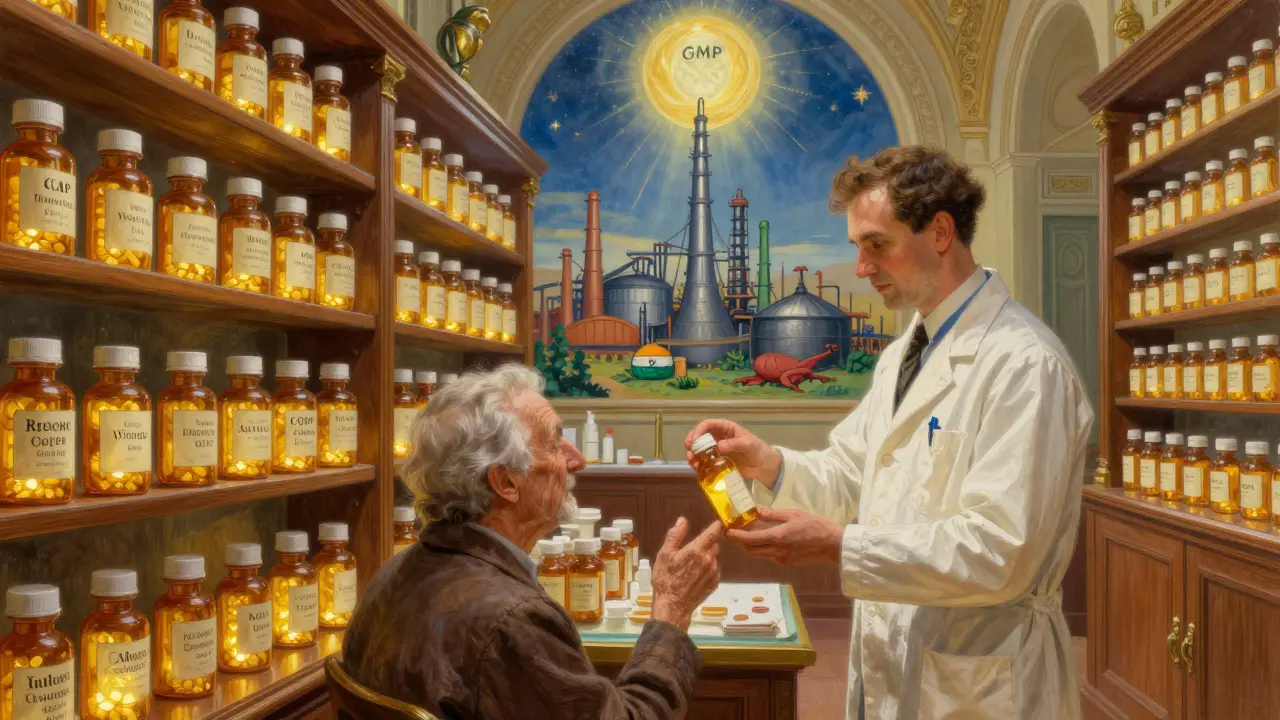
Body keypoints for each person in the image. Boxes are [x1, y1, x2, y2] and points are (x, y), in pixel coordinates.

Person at [686, 146, 1093, 719]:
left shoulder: (1024, 364)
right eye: (858, 247)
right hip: (897, 659)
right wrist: (768, 462)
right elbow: (857, 472)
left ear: (942, 232)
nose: (861, 267)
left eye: (877, 244)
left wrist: (840, 544)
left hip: (982, 676)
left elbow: (1002, 551)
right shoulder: (905, 353)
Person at [343, 363, 724, 719]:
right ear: (506, 482)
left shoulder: (390, 575)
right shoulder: (514, 622)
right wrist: (671, 612)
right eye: (556, 443)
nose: (577, 461)